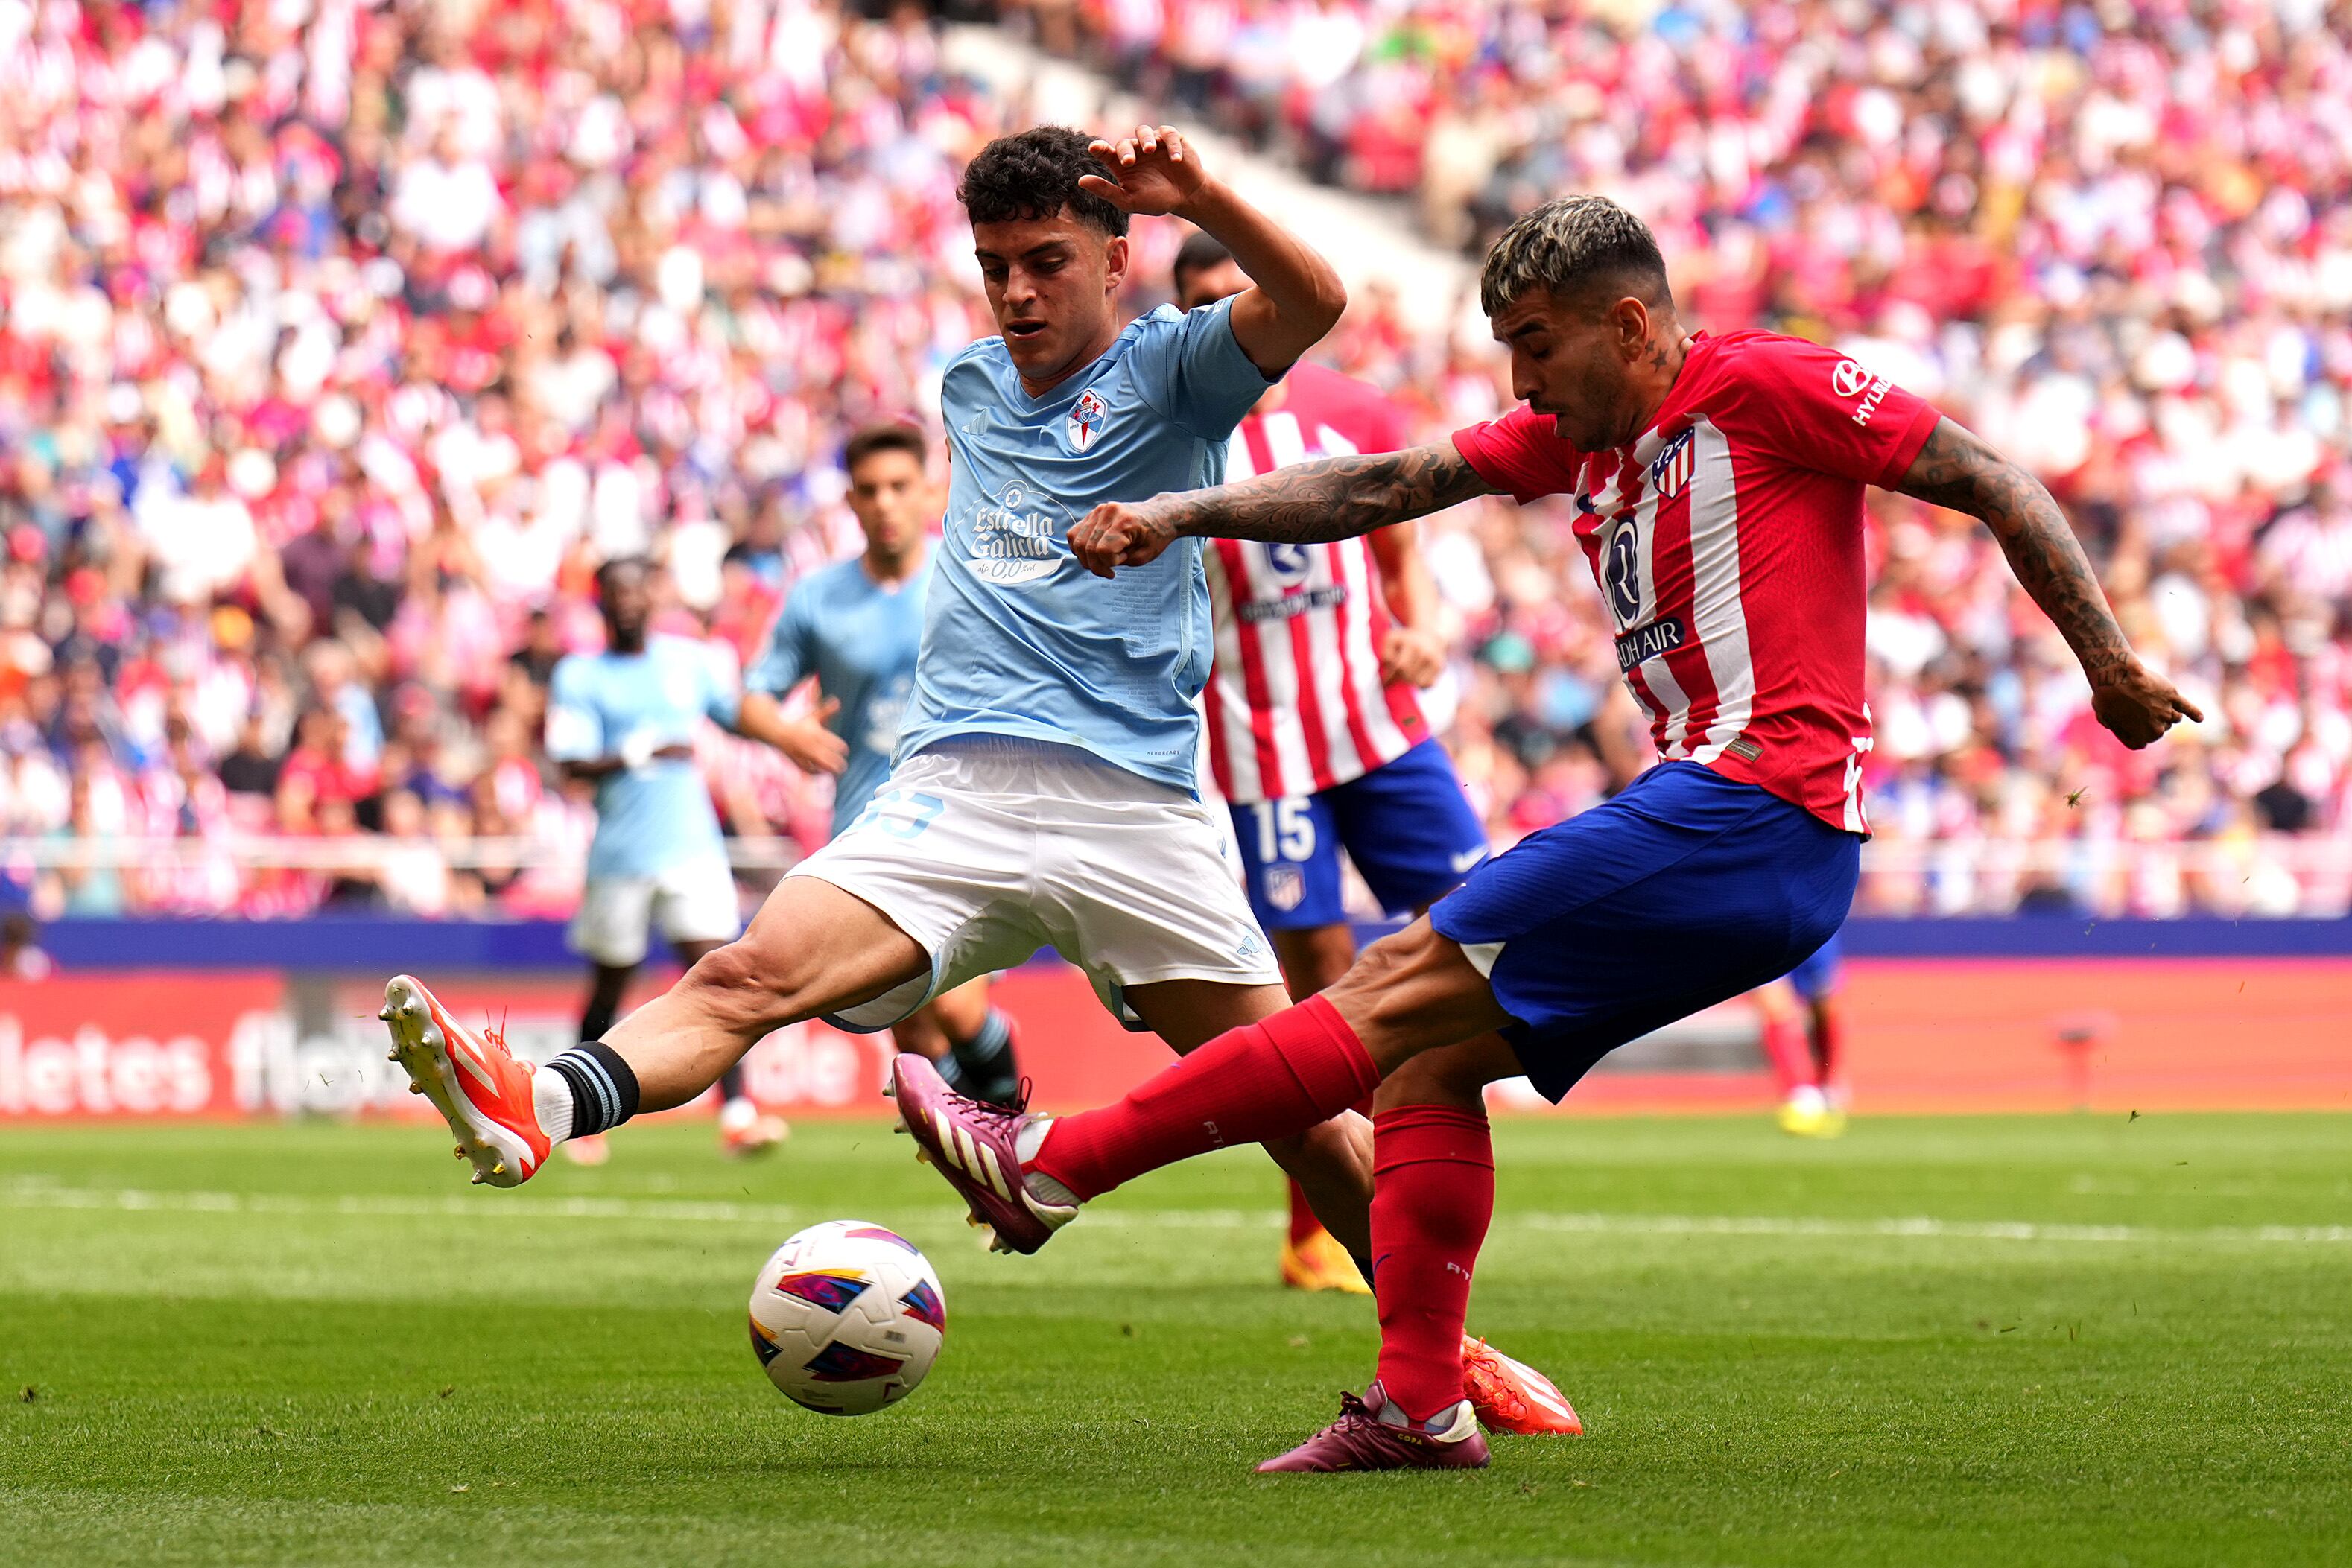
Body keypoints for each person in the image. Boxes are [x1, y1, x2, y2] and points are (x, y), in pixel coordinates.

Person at [893, 194, 2203, 1472]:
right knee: (1423, 1065)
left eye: (1534, 345)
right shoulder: (1582, 441)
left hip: (1758, 808)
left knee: (1389, 980)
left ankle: (1057, 1163)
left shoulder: (1764, 387)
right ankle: (1419, 1405)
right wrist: (1183, 514)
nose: (1519, 381)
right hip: (1738, 835)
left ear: (1630, 328)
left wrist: (2108, 666)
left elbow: (1986, 475)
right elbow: (1380, 486)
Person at [377, 124, 1568, 1435]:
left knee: (1302, 1111)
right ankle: (539, 1103)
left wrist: (1209, 191)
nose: (1015, 293)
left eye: (1046, 262)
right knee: (745, 975)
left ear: (1118, 262)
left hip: (1135, 810)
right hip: (957, 791)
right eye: (995, 264)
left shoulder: (1177, 372)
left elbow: (1318, 302)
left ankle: (1443, 1362)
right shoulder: (967, 388)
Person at [1170, 232, 1497, 1303]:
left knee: (1481, 916)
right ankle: (1318, 1225)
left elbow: (1402, 550)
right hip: (1265, 751)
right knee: (1311, 983)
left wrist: (1424, 628)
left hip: (1380, 725)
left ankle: (1439, 1122)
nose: (1231, 323)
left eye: (1243, 298)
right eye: (1204, 308)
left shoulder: (1353, 411)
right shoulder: (1173, 438)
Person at [745, 422, 1025, 1105]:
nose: (885, 503)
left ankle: (1010, 1127)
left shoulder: (970, 572)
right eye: (869, 491)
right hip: (866, 826)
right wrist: (786, 733)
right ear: (849, 501)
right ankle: (983, 1165)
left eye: (900, 487)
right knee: (912, 1032)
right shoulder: (818, 598)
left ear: (929, 491)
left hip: (963, 815)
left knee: (957, 1009)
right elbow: (751, 697)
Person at [541, 556, 787, 1164]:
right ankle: (569, 1112)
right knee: (610, 985)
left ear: (650, 597)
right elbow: (568, 764)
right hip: (622, 853)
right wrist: (634, 752)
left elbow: (741, 716)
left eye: (636, 591)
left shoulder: (688, 661)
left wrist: (788, 731)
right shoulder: (579, 676)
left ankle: (737, 1114)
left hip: (692, 846)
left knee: (722, 974)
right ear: (600, 604)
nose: (627, 602)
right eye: (615, 593)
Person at [1758, 928, 1847, 1138]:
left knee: (1824, 1004)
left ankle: (1827, 1084)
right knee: (1773, 1004)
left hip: (1811, 918)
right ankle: (1801, 1094)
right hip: (1761, 923)